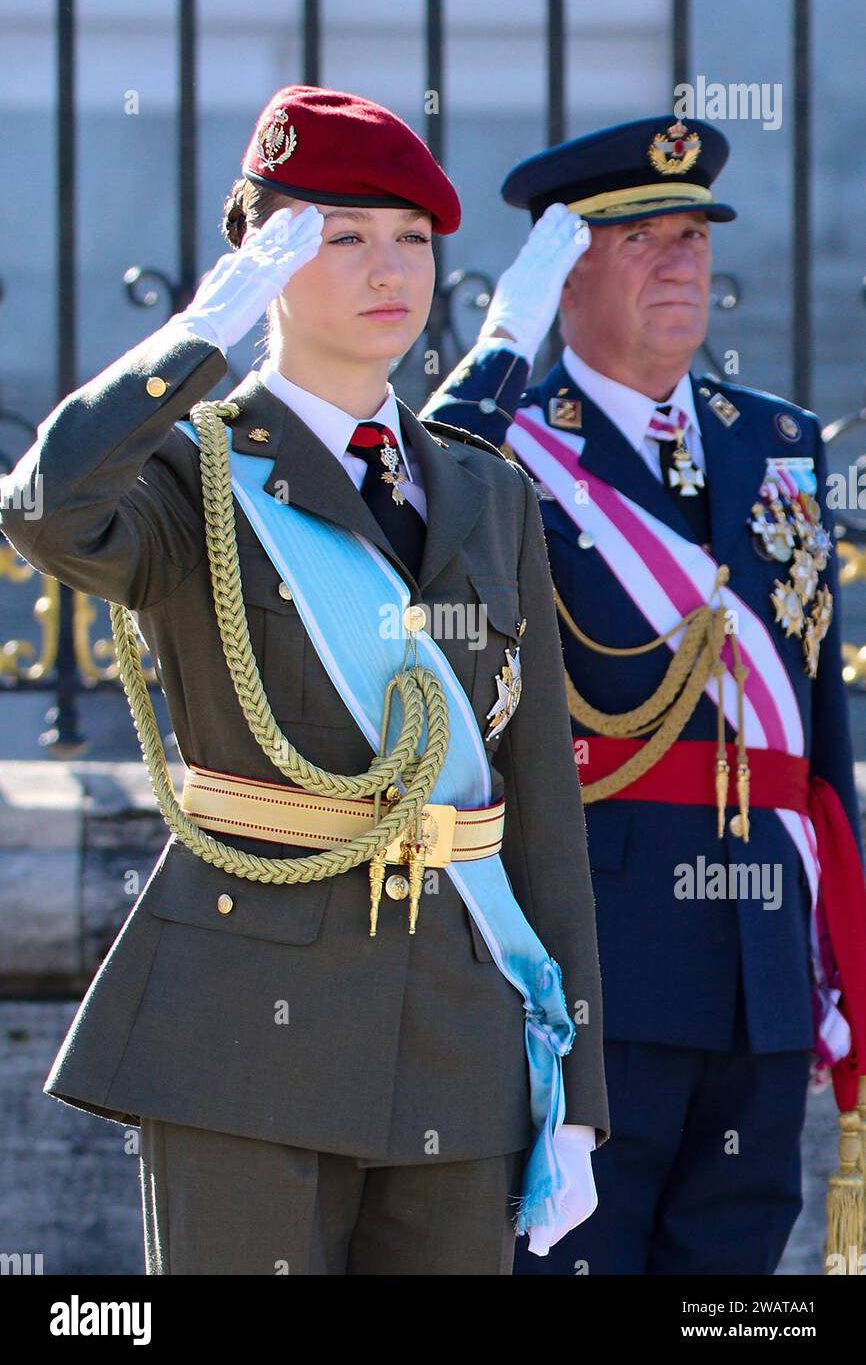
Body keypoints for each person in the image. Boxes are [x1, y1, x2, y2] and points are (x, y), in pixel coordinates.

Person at [0, 86, 609, 1276]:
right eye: (341, 239)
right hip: (243, 1026)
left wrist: (576, 1084)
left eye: (412, 241)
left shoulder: (486, 495)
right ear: (261, 260)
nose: (391, 271)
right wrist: (185, 347)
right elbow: (45, 510)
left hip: (455, 1018)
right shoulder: (191, 473)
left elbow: (535, 798)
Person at [422, 114, 866, 1275]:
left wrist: (837, 946)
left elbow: (814, 729)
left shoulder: (770, 442)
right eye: (642, 240)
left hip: (760, 966)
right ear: (564, 268)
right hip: (593, 971)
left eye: (694, 237)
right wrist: (497, 345)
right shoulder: (504, 450)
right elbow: (411, 538)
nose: (682, 263)